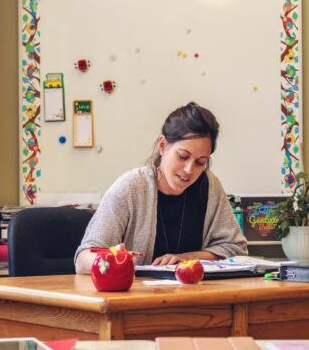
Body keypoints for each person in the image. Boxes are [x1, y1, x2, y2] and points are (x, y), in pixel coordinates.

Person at [75, 102, 248, 273]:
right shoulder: (130, 187)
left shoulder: (210, 187)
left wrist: (187, 258)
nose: (189, 170)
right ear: (163, 146)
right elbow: (83, 259)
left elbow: (236, 249)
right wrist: (117, 263)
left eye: (200, 162)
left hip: (193, 297)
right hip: (138, 298)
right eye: (182, 156)